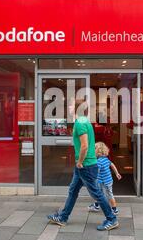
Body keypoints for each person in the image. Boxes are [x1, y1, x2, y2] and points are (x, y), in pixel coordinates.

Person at [47, 98, 119, 231]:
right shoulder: (84, 121)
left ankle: (112, 219)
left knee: (96, 193)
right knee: (73, 190)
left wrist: (80, 162)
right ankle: (63, 217)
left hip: (85, 165)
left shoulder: (80, 123)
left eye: (71, 105)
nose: (69, 107)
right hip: (84, 165)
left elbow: (84, 146)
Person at [88, 142, 122, 215]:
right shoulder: (106, 159)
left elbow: (97, 172)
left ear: (97, 151)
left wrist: (92, 177)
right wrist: (117, 173)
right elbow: (112, 165)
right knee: (99, 193)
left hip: (104, 182)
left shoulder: (99, 162)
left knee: (109, 195)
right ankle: (96, 206)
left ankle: (114, 210)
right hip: (107, 180)